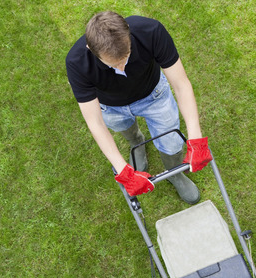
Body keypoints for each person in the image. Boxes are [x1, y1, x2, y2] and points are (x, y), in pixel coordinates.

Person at [65, 11, 208, 203]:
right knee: (124, 128)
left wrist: (195, 136)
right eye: (113, 64)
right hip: (111, 106)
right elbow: (95, 122)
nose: (122, 68)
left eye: (126, 57)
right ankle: (136, 143)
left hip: (154, 96)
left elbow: (181, 85)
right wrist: (123, 170)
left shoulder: (152, 31)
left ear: (129, 33)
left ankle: (175, 173)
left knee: (172, 142)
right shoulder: (77, 62)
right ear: (90, 48)